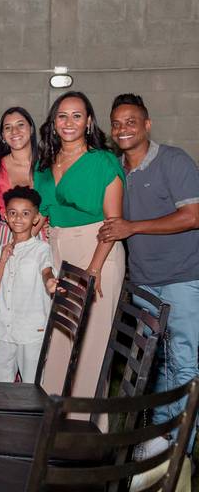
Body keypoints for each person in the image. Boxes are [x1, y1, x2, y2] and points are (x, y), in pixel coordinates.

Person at [99, 93, 199, 457]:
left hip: (182, 279)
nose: (123, 129)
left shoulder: (173, 160)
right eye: (117, 124)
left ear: (147, 124)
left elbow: (193, 216)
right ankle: (159, 439)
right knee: (155, 363)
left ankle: (178, 450)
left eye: (131, 122)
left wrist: (133, 227)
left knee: (183, 363)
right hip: (143, 283)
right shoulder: (116, 169)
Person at [33, 91, 125, 398]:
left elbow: (114, 222)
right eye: (62, 116)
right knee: (60, 340)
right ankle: (53, 414)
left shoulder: (102, 162)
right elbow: (43, 214)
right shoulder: (44, 165)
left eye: (76, 116)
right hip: (60, 251)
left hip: (98, 250)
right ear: (53, 122)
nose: (69, 122)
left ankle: (87, 422)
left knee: (91, 346)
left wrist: (93, 270)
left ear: (88, 122)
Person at [0, 186, 56, 383]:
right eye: (13, 213)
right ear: (5, 216)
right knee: (0, 380)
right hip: (5, 326)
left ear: (36, 218)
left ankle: (32, 405)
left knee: (31, 382)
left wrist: (49, 281)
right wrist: (3, 260)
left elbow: (46, 270)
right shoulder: (3, 249)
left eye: (25, 213)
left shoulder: (41, 249)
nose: (18, 218)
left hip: (31, 328)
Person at [0, 107, 42, 257]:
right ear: (3, 136)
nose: (14, 131)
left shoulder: (48, 164)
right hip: (8, 237)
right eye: (8, 127)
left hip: (43, 236)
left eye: (20, 125)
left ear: (31, 129)